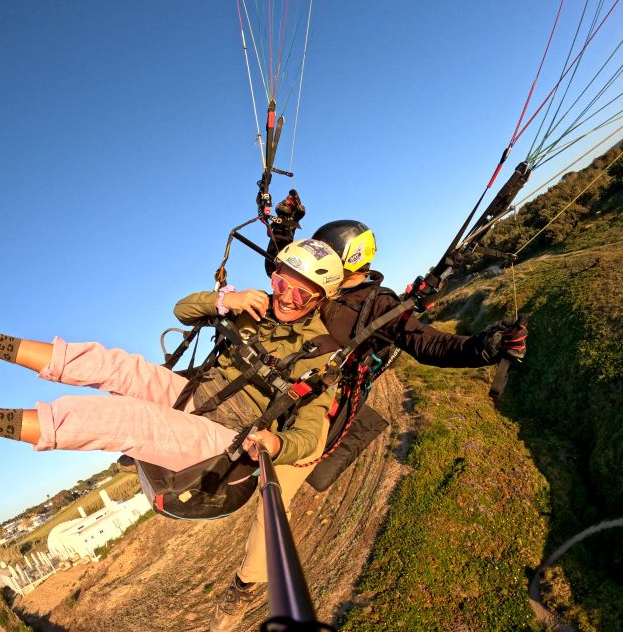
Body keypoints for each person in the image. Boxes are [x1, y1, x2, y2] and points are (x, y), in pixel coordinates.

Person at [209, 206, 528, 631]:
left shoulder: (376, 305)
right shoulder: (315, 282)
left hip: (311, 405)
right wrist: (281, 227)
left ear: (346, 266)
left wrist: (483, 348)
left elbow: (426, 343)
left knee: (274, 497)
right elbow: (282, 267)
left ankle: (245, 584)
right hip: (266, 380)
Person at [0, 240, 345, 478]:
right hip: (199, 394)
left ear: (320, 298)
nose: (285, 298)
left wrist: (278, 443)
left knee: (127, 419)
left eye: (300, 294)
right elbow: (182, 310)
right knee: (119, 365)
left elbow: (311, 433)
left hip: (232, 440)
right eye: (280, 283)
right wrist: (224, 300)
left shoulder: (321, 352)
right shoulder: (254, 306)